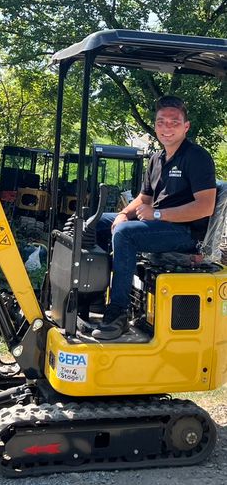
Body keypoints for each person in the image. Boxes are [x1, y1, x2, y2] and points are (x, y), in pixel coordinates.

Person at [92, 95, 217, 340]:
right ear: (155, 124)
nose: (167, 127)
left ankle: (119, 312)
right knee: (96, 223)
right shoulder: (157, 159)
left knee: (126, 235)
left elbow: (206, 207)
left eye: (174, 122)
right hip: (158, 226)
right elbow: (144, 198)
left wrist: (158, 214)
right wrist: (122, 213)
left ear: (186, 126)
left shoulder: (197, 157)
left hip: (185, 234)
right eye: (161, 122)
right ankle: (94, 297)